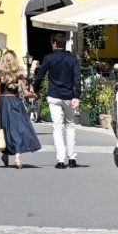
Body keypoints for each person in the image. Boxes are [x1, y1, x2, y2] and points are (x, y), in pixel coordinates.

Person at [33, 38, 84, 168]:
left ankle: (60, 160)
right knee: (70, 126)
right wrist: (77, 96)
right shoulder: (72, 59)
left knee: (57, 127)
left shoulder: (49, 58)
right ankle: (72, 158)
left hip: (54, 96)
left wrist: (36, 90)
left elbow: (40, 75)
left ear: (54, 43)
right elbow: (77, 79)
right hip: (69, 96)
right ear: (64, 43)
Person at [0, 50, 40, 168]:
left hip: (4, 103)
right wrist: (34, 95)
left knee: (8, 129)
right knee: (17, 129)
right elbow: (25, 93)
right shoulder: (18, 73)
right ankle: (12, 155)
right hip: (15, 102)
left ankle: (14, 156)